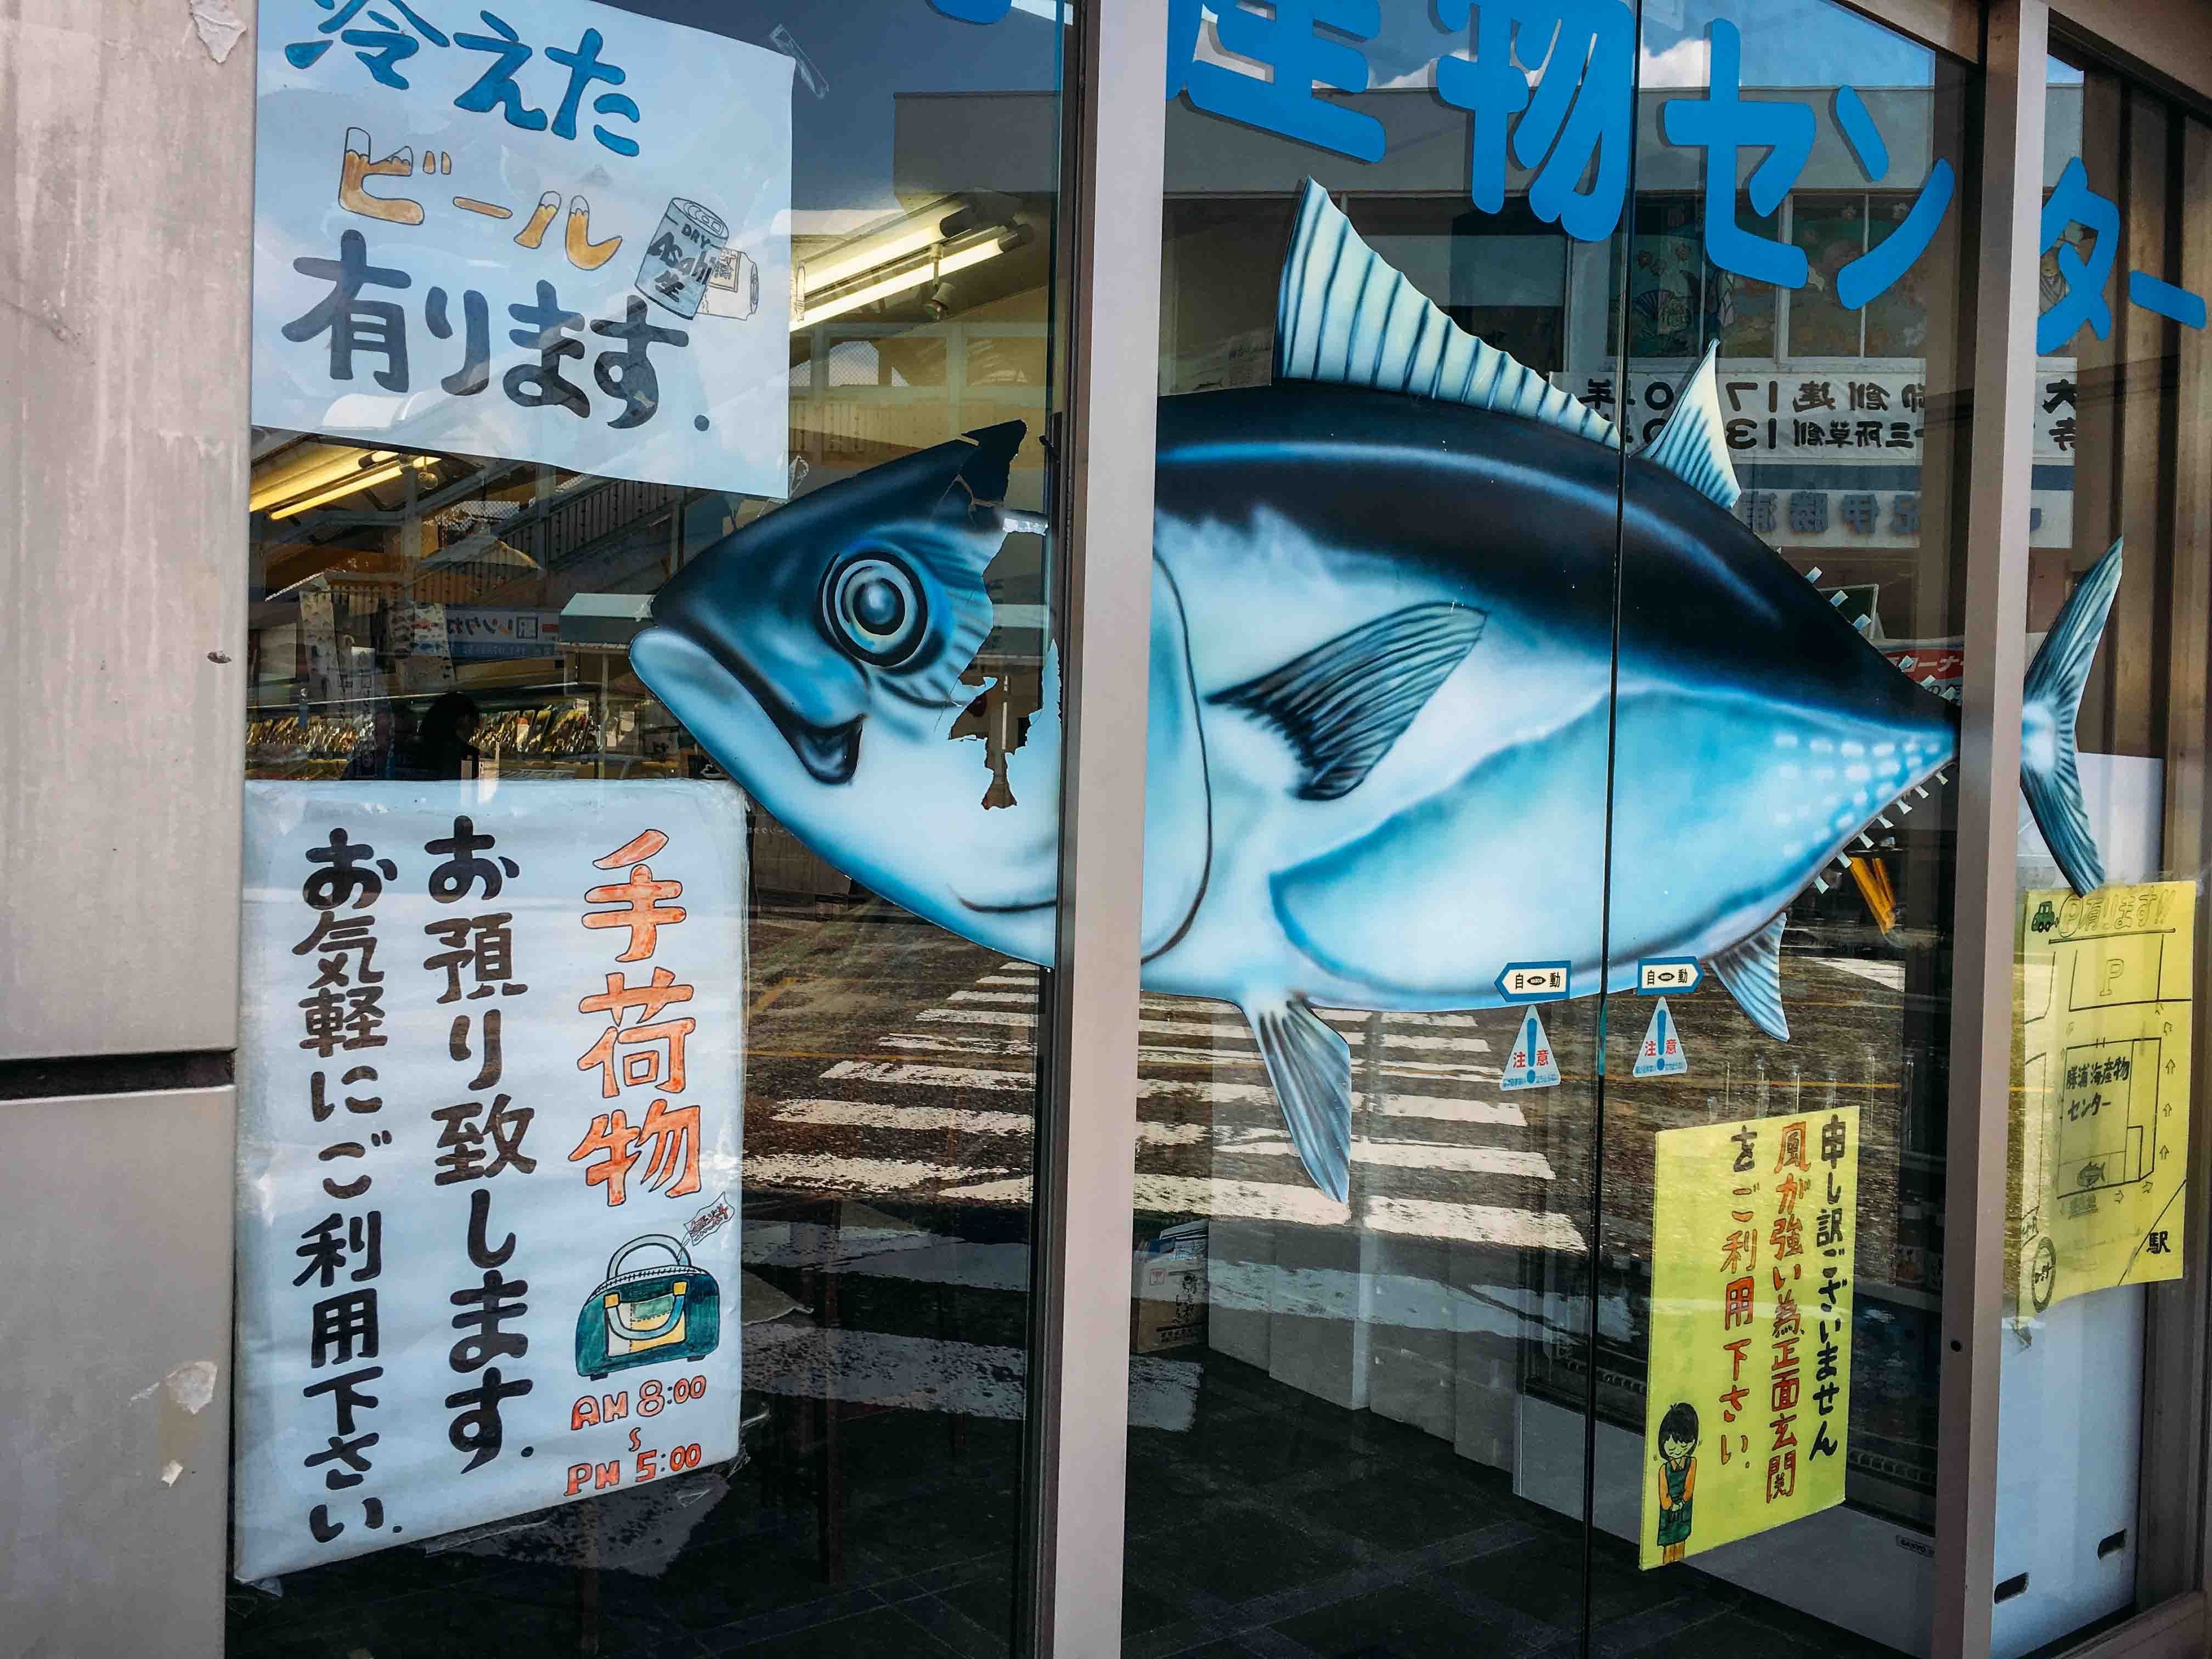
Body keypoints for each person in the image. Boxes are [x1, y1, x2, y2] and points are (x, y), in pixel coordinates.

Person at [400, 690, 483, 780]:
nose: (473, 732)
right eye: (474, 725)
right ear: (465, 720)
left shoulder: (408, 752)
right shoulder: (466, 756)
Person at [1654, 1401, 1699, 1565]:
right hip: (1669, 1514)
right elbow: (1663, 1494)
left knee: (1681, 1544)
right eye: (1671, 1445)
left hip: (1684, 1511)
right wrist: (1671, 1506)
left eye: (1683, 1445)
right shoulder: (1664, 1469)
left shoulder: (1692, 1463)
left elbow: (1689, 1487)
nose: (1677, 1450)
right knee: (1668, 1547)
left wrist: (1681, 1503)